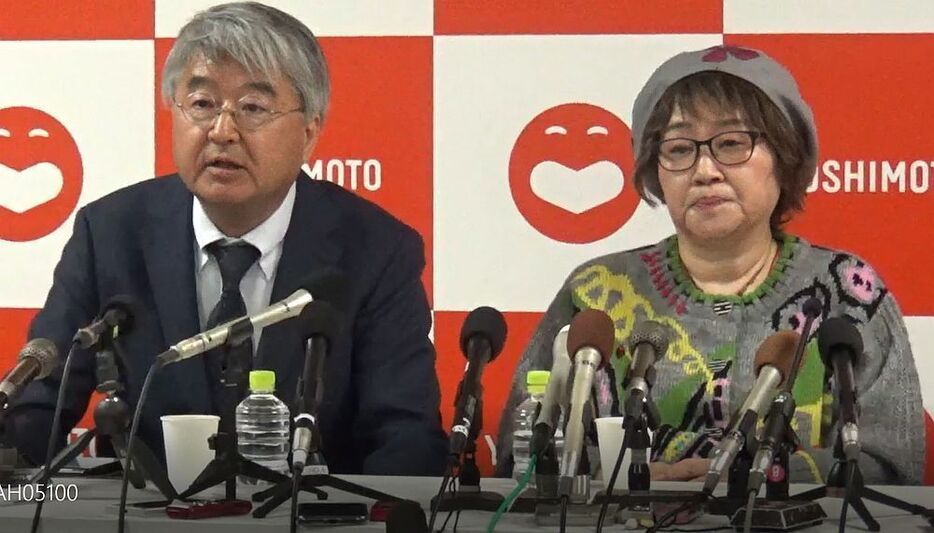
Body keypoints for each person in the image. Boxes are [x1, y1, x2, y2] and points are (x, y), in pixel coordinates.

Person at [5, 1, 448, 476]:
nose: (222, 130)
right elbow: (37, 412)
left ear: (310, 131)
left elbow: (406, 437)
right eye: (201, 104)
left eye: (253, 108)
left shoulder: (376, 249)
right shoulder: (110, 233)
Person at [497, 45, 925, 485]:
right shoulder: (595, 291)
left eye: (732, 144)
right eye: (680, 148)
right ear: (655, 169)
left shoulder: (850, 295)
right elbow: (521, 453)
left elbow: (889, 467)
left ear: (785, 156)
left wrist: (738, 476)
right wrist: (634, 479)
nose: (705, 170)